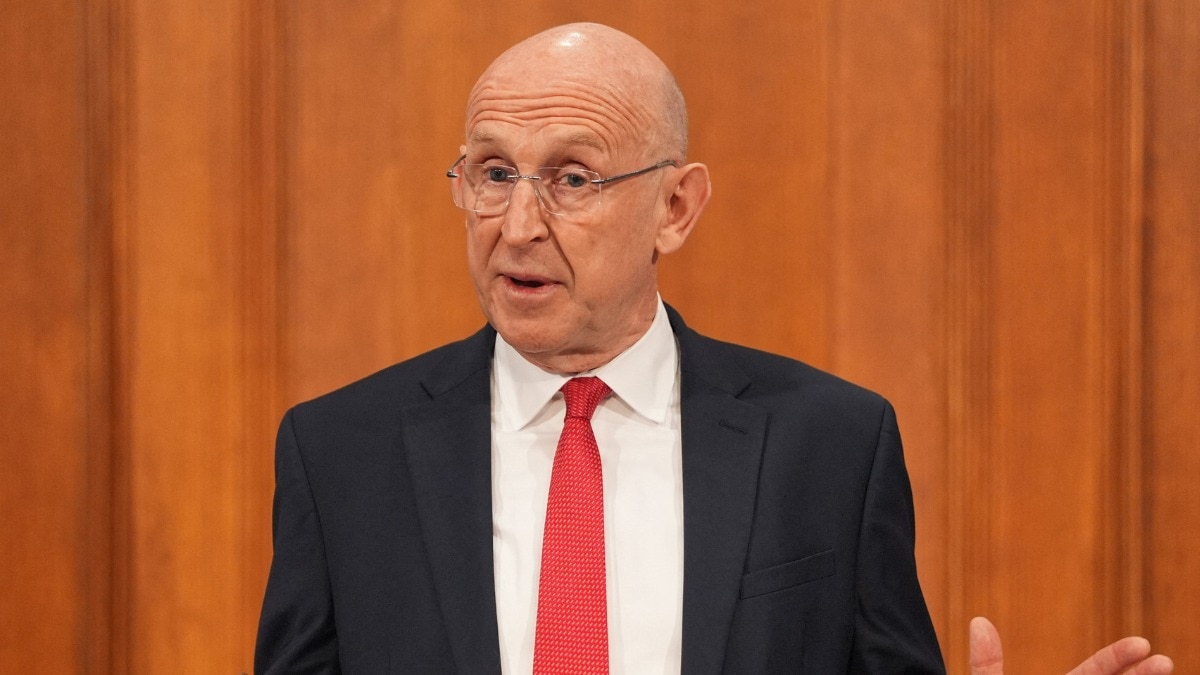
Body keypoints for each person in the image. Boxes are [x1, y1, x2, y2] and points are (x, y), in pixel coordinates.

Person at [255, 22, 1173, 675]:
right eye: (494, 173)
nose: (518, 225)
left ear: (676, 207)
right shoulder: (339, 456)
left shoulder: (832, 444)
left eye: (571, 178)